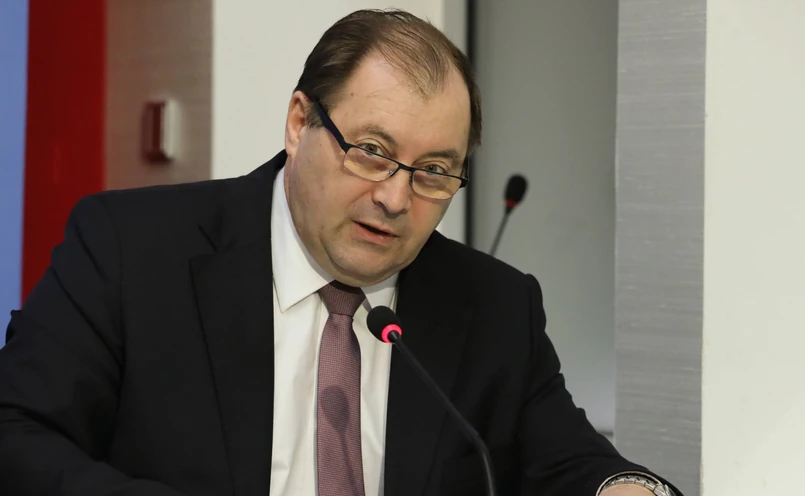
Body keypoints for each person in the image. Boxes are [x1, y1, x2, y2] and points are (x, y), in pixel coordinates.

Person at [0, 9, 681, 496]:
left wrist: (627, 489)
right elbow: (18, 430)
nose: (395, 197)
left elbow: (573, 465)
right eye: (372, 152)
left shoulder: (494, 306)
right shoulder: (132, 250)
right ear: (300, 123)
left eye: (434, 171)